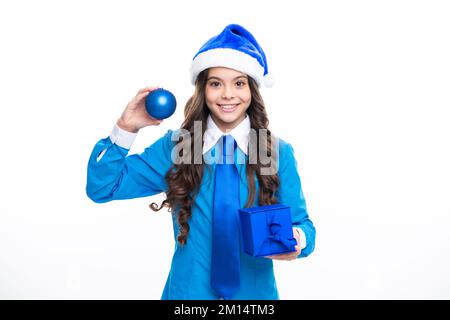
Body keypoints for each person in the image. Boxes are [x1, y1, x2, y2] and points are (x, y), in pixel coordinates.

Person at [86, 24, 315, 300]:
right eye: (216, 83)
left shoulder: (274, 152)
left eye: (239, 83)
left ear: (252, 90)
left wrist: (295, 239)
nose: (228, 94)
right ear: (203, 90)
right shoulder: (179, 146)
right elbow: (103, 187)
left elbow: (304, 227)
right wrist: (126, 128)